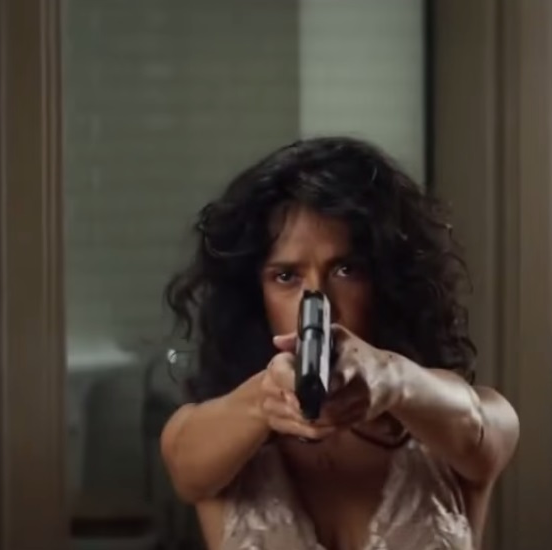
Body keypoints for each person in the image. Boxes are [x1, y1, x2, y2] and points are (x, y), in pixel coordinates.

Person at [160, 136, 520, 550]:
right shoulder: (218, 435)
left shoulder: (448, 421)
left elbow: (478, 426)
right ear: (254, 293)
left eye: (346, 269)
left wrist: (392, 379)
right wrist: (266, 398)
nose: (319, 302)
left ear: (385, 279)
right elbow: (185, 461)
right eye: (286, 276)